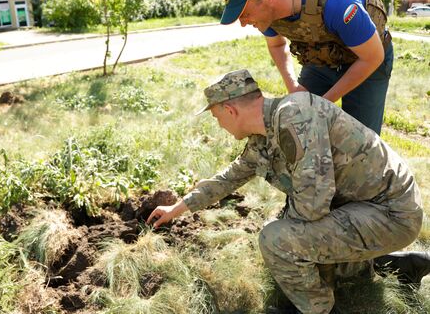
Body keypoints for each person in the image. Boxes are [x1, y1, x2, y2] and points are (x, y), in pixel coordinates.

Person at [147, 69, 429, 314]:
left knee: (277, 240)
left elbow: (313, 206)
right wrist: (178, 208)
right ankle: (396, 268)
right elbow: (227, 179)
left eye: (217, 117)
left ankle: (320, 308)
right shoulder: (265, 134)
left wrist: (285, 231)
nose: (219, 125)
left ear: (229, 110)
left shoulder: (295, 116)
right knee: (291, 231)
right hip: (366, 206)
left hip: (392, 212)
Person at [219, 0, 393, 135]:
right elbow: (277, 45)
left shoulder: (337, 2)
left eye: (245, 14)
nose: (243, 23)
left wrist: (324, 103)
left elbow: (373, 57)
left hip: (367, 58)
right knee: (299, 124)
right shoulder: (269, 13)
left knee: (361, 140)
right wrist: (293, 87)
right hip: (322, 58)